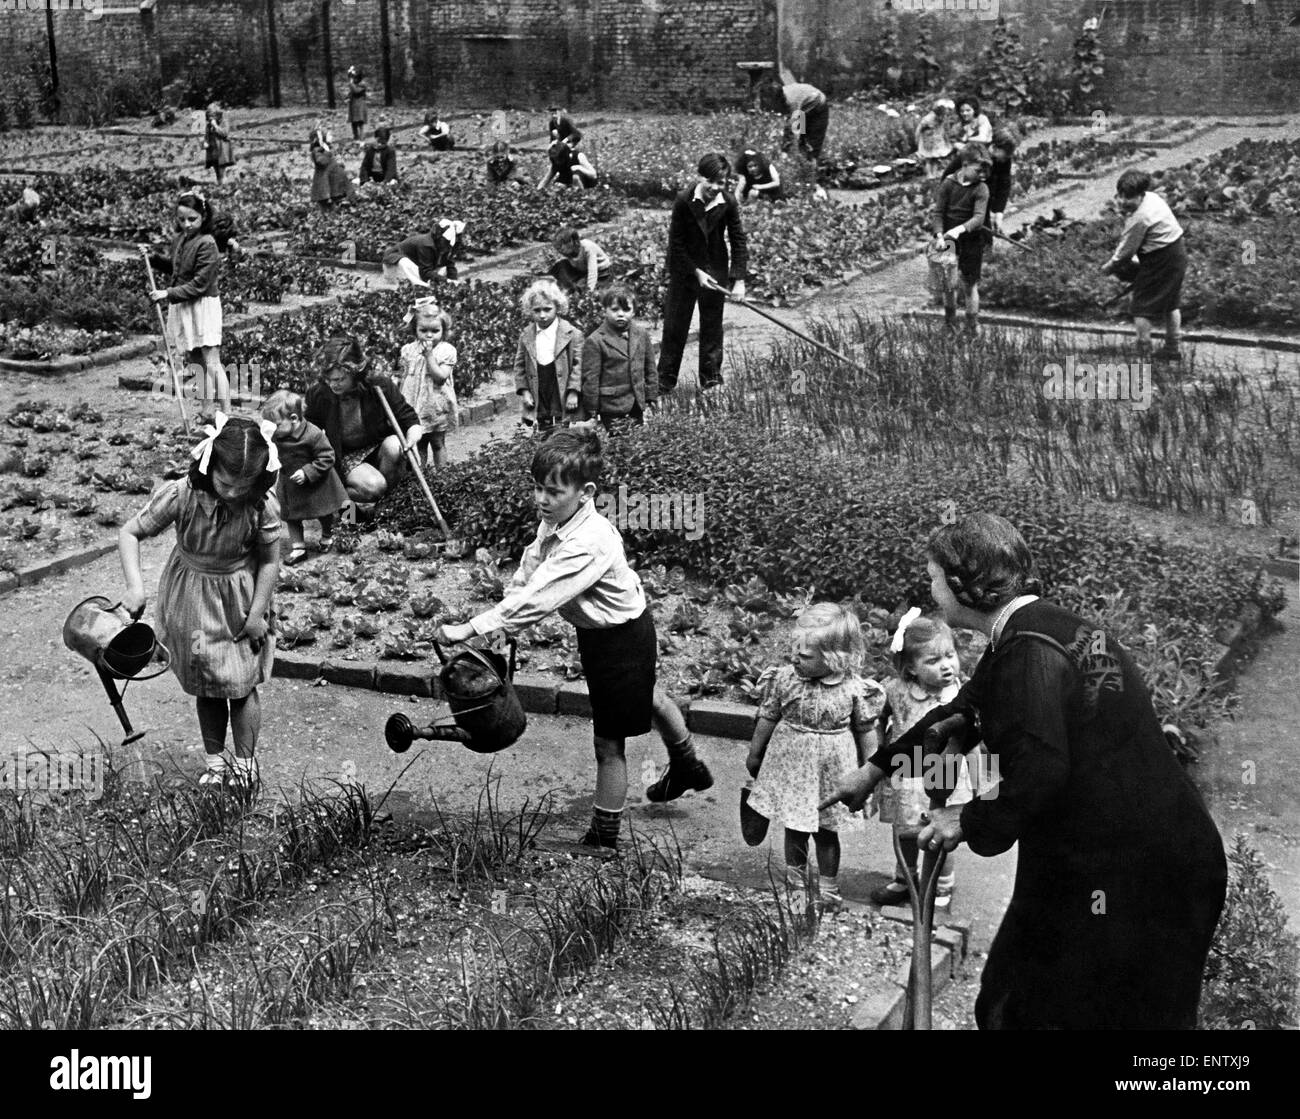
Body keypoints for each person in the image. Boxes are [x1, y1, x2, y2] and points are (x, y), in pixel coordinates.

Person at [821, 513, 1228, 1030]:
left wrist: (965, 820)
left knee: (1062, 1012)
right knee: (1016, 998)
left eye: (932, 577)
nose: (928, 587)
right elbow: (957, 717)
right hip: (1113, 856)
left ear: (962, 583)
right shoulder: (1030, 629)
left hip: (1137, 873)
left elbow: (1042, 770)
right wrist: (875, 771)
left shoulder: (1029, 653)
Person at [434, 428, 714, 849]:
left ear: (585, 492)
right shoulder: (557, 521)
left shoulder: (589, 541)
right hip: (609, 634)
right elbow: (531, 572)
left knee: (608, 742)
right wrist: (501, 626)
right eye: (536, 488)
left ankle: (603, 838)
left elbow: (542, 597)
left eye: (552, 491)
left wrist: (472, 627)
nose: (541, 500)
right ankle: (687, 763)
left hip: (621, 638)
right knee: (649, 694)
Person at [118, 415, 281, 791]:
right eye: (227, 484)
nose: (235, 494)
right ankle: (215, 763)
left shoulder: (261, 505)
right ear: (209, 467)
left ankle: (245, 766)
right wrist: (135, 587)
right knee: (207, 683)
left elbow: (270, 561)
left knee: (240, 685)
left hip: (240, 603)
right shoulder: (182, 495)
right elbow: (130, 532)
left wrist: (256, 616)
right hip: (190, 598)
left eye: (246, 486)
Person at [745, 604, 885, 910]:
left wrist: (871, 769)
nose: (795, 656)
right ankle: (795, 885)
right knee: (795, 828)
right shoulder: (784, 679)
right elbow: (767, 716)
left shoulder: (854, 689)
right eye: (795, 648)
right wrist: (755, 753)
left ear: (835, 658)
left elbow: (865, 731)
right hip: (791, 764)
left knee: (826, 831)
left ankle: (828, 888)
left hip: (833, 769)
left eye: (805, 654)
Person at [868, 609, 973, 911]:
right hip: (906, 773)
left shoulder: (962, 695)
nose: (946, 666)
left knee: (940, 831)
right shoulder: (897, 691)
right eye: (933, 661)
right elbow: (877, 718)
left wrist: (985, 781)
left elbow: (977, 740)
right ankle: (905, 878)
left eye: (950, 656)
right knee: (905, 830)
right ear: (911, 668)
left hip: (945, 773)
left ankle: (941, 884)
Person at [658, 152, 748, 395]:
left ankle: (710, 380)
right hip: (685, 270)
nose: (715, 188)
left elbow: (738, 240)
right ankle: (664, 382)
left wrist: (738, 280)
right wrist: (696, 272)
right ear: (699, 177)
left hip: (715, 268)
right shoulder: (683, 200)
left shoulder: (727, 202)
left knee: (712, 325)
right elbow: (676, 244)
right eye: (711, 181)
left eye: (721, 183)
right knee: (675, 325)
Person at [304, 335, 423, 509]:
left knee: (396, 445)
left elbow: (409, 419)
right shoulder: (321, 394)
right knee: (375, 487)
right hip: (345, 455)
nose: (333, 385)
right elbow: (309, 431)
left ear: (355, 373)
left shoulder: (378, 387)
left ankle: (388, 507)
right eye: (329, 379)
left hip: (376, 448)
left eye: (339, 380)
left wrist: (412, 440)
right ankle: (343, 508)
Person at [148, 189, 229, 416]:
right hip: (184, 305)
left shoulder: (207, 243)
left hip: (203, 306)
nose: (187, 224)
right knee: (195, 361)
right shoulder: (181, 240)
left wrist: (168, 293)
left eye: (192, 219)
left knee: (211, 360)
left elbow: (200, 284)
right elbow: (175, 268)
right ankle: (206, 409)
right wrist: (153, 258)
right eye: (182, 219)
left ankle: (227, 413)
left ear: (203, 217)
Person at [1101, 169, 1187, 362]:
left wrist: (1108, 268)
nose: (1123, 202)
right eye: (1120, 196)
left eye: (1129, 198)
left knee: (1141, 307)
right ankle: (1173, 348)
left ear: (1140, 195)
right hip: (1177, 253)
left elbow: (1125, 253)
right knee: (1171, 302)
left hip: (1161, 260)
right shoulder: (1153, 197)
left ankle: (1143, 352)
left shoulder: (1141, 218)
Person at [261, 390, 348, 564]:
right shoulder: (276, 436)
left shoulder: (313, 434)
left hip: (317, 484)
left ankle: (327, 536)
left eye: (276, 425)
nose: (272, 430)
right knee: (291, 516)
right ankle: (298, 547)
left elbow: (327, 456)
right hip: (291, 484)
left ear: (294, 418)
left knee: (324, 511)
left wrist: (308, 471)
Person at [581, 285, 658, 434]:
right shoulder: (596, 340)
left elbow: (650, 367)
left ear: (634, 311)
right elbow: (591, 377)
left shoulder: (641, 334)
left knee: (638, 438)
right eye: (615, 310)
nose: (621, 314)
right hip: (611, 404)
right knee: (618, 440)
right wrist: (591, 409)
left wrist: (651, 396)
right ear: (605, 310)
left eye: (626, 310)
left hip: (636, 400)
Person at [932, 145, 992, 335]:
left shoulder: (981, 188)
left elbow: (978, 218)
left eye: (984, 171)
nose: (981, 175)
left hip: (971, 239)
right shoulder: (949, 184)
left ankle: (972, 325)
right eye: (977, 170)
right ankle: (950, 323)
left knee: (969, 282)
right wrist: (940, 235)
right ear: (965, 165)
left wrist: (957, 231)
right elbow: (938, 213)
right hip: (947, 240)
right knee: (948, 283)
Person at [397, 296, 458, 469]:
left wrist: (429, 356)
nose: (429, 335)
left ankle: (442, 476)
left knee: (437, 442)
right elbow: (405, 375)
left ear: (443, 331)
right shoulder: (408, 349)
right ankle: (422, 478)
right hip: (415, 404)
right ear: (415, 330)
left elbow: (440, 377)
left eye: (435, 331)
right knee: (419, 443)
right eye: (423, 330)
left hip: (436, 405)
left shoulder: (446, 350)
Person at [514, 278, 582, 433]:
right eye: (537, 310)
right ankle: (545, 450)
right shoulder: (527, 335)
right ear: (529, 310)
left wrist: (573, 392)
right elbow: (519, 366)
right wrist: (524, 391)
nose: (542, 315)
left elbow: (579, 366)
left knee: (561, 426)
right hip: (539, 384)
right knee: (543, 426)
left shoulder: (571, 333)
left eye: (547, 309)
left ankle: (560, 449)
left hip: (559, 386)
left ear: (557, 307)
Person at [942, 126, 1018, 234]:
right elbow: (946, 179)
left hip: (981, 207)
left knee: (984, 242)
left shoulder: (1004, 160)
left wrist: (998, 213)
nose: (1007, 157)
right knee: (956, 241)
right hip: (959, 207)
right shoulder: (970, 155)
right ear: (995, 147)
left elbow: (1003, 185)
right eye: (1006, 153)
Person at [380, 218, 464, 288]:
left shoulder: (446, 245)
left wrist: (453, 282)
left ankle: (425, 283)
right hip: (394, 266)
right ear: (439, 237)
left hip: (418, 267)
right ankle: (420, 286)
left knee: (443, 269)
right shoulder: (426, 244)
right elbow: (425, 272)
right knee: (404, 262)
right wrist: (446, 281)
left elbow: (449, 264)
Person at [762, 76, 829, 160]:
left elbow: (792, 128)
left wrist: (784, 151)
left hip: (818, 106)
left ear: (779, 98)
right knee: (803, 141)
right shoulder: (779, 94)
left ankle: (811, 167)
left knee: (812, 143)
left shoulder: (792, 102)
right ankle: (804, 163)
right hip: (805, 105)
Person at [548, 226, 610, 293]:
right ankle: (572, 287)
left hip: (602, 272)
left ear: (572, 242)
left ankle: (580, 288)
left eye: (561, 246)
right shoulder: (567, 252)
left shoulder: (587, 247)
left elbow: (593, 272)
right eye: (558, 247)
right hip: (584, 272)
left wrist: (589, 291)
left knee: (594, 288)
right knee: (560, 266)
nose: (559, 249)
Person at [309, 127, 354, 209]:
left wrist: (339, 162)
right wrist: (327, 152)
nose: (332, 136)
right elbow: (321, 161)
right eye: (329, 135)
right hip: (325, 184)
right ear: (322, 138)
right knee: (328, 207)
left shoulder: (329, 147)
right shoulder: (318, 150)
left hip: (335, 182)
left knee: (340, 199)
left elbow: (334, 159)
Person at [915, 97, 955, 180]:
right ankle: (929, 174)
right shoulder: (929, 118)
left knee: (936, 158)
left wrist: (946, 140)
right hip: (928, 140)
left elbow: (942, 129)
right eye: (946, 110)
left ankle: (935, 174)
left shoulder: (942, 117)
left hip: (937, 140)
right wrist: (917, 138)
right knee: (929, 159)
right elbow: (919, 128)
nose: (948, 112)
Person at [204, 102, 234, 186]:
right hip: (213, 150)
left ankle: (223, 183)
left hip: (222, 149)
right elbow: (207, 135)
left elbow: (224, 133)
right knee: (215, 166)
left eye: (212, 115)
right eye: (209, 115)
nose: (210, 118)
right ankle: (219, 182)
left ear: (217, 114)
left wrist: (216, 126)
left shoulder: (224, 121)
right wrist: (206, 141)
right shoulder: (209, 125)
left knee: (221, 166)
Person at [347, 67, 368, 141]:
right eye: (353, 78)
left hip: (360, 107)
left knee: (360, 124)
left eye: (355, 78)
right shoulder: (355, 84)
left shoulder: (362, 84)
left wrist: (351, 83)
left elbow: (356, 91)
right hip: (353, 106)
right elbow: (352, 93)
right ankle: (356, 137)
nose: (353, 79)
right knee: (354, 123)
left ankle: (361, 139)